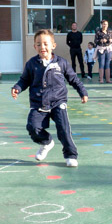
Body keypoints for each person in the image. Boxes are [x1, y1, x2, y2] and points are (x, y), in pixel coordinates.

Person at [11, 29, 88, 168]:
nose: (42, 47)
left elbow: (73, 79)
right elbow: (24, 80)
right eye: (39, 44)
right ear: (35, 47)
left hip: (58, 101)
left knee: (64, 129)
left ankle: (70, 155)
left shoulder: (61, 63)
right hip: (39, 102)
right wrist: (17, 87)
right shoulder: (31, 64)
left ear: (53, 45)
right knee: (32, 127)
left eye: (46, 44)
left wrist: (83, 92)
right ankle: (46, 142)